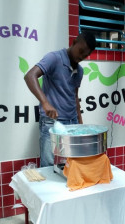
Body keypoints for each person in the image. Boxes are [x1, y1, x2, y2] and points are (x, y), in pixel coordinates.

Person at [24, 32, 96, 167]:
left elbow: (75, 97)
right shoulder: (54, 58)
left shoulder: (79, 71)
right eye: (80, 51)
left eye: (85, 55)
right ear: (74, 43)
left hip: (72, 122)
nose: (81, 57)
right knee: (49, 165)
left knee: (71, 164)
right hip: (52, 123)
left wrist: (80, 122)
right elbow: (30, 76)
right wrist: (45, 103)